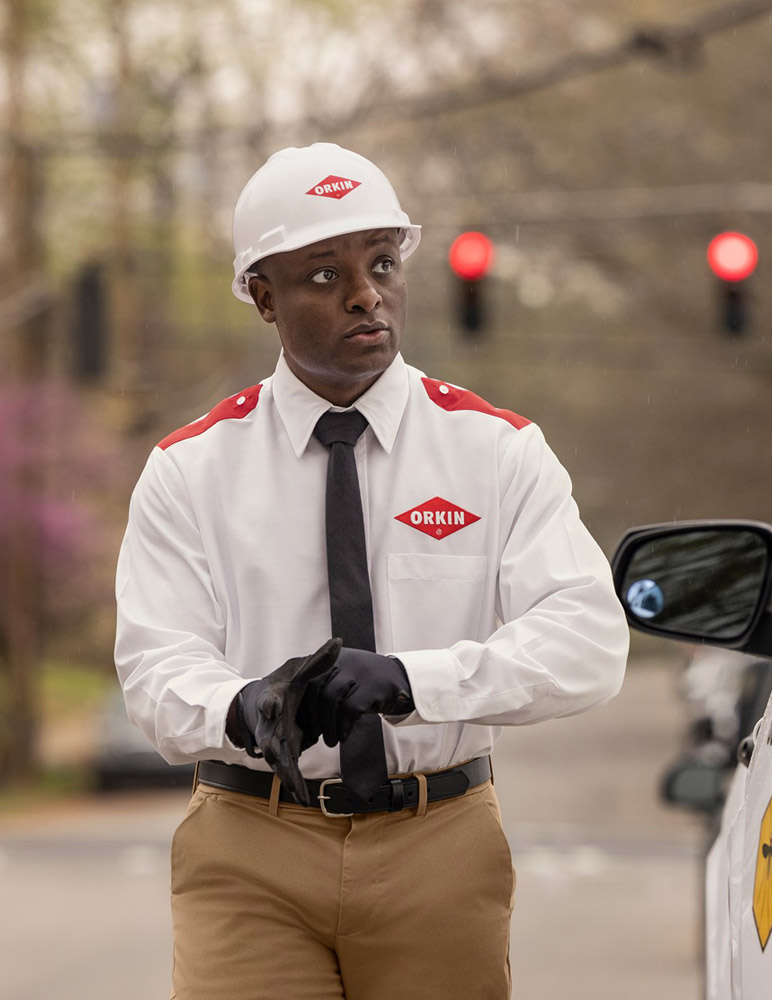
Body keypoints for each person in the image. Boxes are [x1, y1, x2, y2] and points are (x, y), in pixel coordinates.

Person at [114, 142, 629, 999]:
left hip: (440, 841)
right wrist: (243, 707)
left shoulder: (497, 452)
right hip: (249, 843)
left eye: (383, 263)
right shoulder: (189, 470)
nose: (366, 294)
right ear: (263, 296)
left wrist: (408, 680)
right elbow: (154, 673)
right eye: (323, 275)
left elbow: (587, 642)